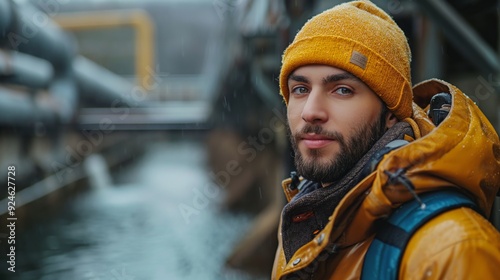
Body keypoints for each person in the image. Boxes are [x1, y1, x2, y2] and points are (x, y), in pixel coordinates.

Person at [272, 0, 500, 279]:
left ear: (391, 113)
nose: (310, 112)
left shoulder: (454, 250)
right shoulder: (301, 224)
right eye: (300, 89)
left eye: (342, 90)